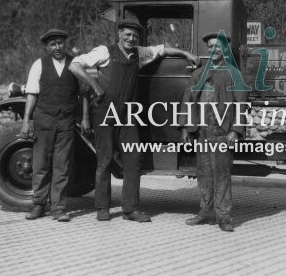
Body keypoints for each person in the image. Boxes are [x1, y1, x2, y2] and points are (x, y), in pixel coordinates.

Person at [69, 17, 199, 222]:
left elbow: (163, 50)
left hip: (129, 115)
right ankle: (102, 208)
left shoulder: (140, 53)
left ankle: (130, 209)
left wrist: (185, 53)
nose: (131, 38)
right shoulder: (104, 51)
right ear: (119, 34)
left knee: (133, 159)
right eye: (127, 34)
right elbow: (75, 66)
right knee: (104, 161)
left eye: (134, 36)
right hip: (106, 113)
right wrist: (95, 86)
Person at [179, 32, 248, 232]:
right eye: (210, 46)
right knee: (204, 173)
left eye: (218, 46)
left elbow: (241, 105)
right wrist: (185, 128)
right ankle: (205, 211)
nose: (213, 50)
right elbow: (187, 101)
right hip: (202, 131)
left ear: (224, 49)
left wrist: (235, 130)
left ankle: (224, 216)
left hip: (222, 132)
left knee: (222, 174)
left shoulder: (234, 74)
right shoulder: (198, 74)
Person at [20, 29, 80, 222]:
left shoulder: (75, 63)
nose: (57, 47)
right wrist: (26, 121)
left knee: (62, 166)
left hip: (67, 121)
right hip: (44, 119)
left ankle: (58, 208)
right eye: (53, 44)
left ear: (65, 44)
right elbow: (31, 94)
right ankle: (38, 205)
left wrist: (85, 117)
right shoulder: (39, 64)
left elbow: (85, 93)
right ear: (47, 46)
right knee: (41, 165)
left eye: (60, 43)